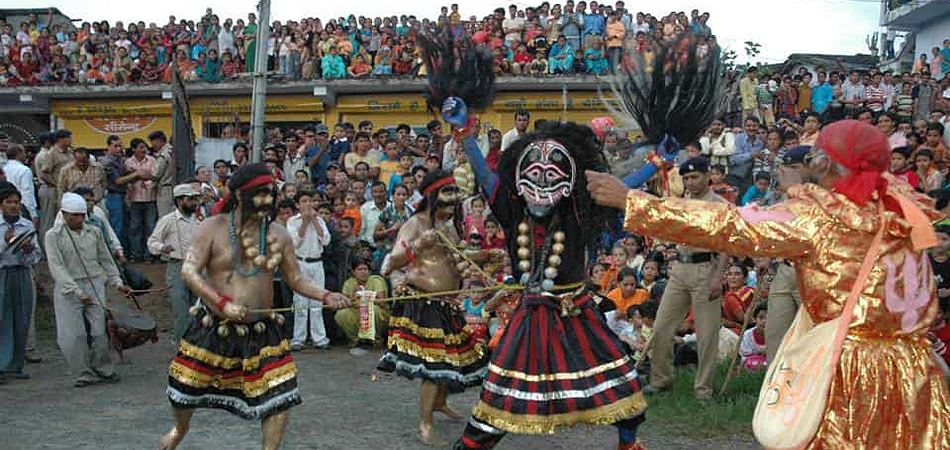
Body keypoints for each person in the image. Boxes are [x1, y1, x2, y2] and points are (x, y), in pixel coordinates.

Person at [587, 120, 950, 448]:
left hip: (851, 370)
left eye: (818, 153)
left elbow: (732, 225)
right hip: (912, 368)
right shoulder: (903, 210)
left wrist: (635, 202)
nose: (812, 161)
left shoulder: (823, 219)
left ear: (831, 163)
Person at [161, 163, 349, 450]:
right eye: (259, 194)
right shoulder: (212, 227)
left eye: (270, 194)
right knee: (183, 389)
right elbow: (189, 272)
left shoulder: (279, 234)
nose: (267, 201)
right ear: (238, 194)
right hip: (215, 325)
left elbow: (296, 278)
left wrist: (326, 295)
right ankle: (179, 429)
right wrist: (222, 303)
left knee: (281, 395)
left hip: (263, 330)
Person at [378, 170, 489, 446]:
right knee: (435, 365)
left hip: (447, 302)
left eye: (455, 202)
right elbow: (389, 263)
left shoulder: (449, 226)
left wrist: (488, 255)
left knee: (452, 359)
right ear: (432, 199)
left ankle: (439, 404)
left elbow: (461, 255)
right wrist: (416, 245)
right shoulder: (415, 224)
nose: (452, 207)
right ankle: (424, 424)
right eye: (447, 200)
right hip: (423, 302)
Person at [45, 192, 131, 387]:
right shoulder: (53, 236)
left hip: (94, 283)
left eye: (83, 215)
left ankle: (104, 369)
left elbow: (106, 259)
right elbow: (56, 267)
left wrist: (117, 282)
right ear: (64, 214)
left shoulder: (94, 232)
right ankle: (83, 372)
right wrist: (77, 291)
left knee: (100, 330)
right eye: (76, 215)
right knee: (74, 334)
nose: (81, 219)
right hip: (68, 288)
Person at [764, 146, 808, 362]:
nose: (788, 173)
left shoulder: (823, 201)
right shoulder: (784, 201)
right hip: (784, 269)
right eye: (786, 168)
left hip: (810, 275)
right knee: (775, 332)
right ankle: (773, 387)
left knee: (810, 334)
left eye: (794, 167)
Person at [147, 184, 201, 343]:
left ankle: (196, 344)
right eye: (190, 199)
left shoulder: (199, 219)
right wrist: (162, 247)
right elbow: (152, 242)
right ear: (179, 200)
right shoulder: (168, 220)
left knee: (198, 308)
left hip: (197, 267)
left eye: (195, 199)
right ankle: (180, 344)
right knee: (181, 309)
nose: (194, 202)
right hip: (177, 266)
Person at [0, 184, 39, 382]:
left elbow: (37, 256)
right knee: (2, 318)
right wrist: (6, 243)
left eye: (17, 202)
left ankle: (15, 365)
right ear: (1, 205)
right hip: (2, 274)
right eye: (9, 202)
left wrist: (28, 250)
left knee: (21, 319)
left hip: (22, 274)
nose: (14, 206)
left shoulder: (27, 225)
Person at [285, 189, 332, 351]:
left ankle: (319, 337)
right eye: (304, 201)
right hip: (300, 264)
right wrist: (305, 222)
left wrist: (315, 220)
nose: (308, 204)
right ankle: (299, 338)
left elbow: (326, 241)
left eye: (310, 201)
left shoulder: (319, 219)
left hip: (317, 263)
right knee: (300, 302)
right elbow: (294, 243)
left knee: (317, 301)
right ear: (298, 205)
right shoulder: (292, 221)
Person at [333, 257, 390, 354]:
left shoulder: (376, 281)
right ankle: (356, 339)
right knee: (341, 314)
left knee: (374, 310)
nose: (363, 272)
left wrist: (365, 297)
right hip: (357, 312)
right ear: (353, 272)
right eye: (360, 269)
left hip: (376, 312)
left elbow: (382, 303)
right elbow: (344, 304)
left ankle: (376, 339)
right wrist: (354, 298)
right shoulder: (349, 283)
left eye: (365, 269)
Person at [722, 262, 755, 335]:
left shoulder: (749, 292)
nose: (732, 277)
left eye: (737, 274)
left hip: (745, 331)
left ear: (745, 278)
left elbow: (742, 319)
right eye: (730, 274)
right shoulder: (724, 293)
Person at [150, 131, 176, 218]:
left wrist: (143, 175)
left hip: (165, 190)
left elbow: (156, 175)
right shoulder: (172, 151)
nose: (152, 146)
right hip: (174, 187)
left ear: (159, 141)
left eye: (153, 142)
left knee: (165, 218)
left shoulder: (164, 154)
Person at [740, 303, 768, 371]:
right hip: (751, 362)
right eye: (761, 318)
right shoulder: (747, 335)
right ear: (755, 319)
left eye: (768, 318)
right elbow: (745, 354)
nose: (764, 321)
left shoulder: (775, 334)